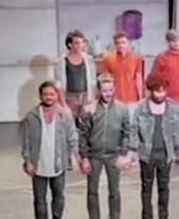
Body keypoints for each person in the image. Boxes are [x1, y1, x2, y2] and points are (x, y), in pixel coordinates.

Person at [21, 81, 80, 219]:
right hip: (38, 164)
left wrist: (79, 158)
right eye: (45, 94)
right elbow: (26, 141)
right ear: (40, 96)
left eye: (52, 94)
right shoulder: (31, 117)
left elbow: (72, 138)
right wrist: (28, 161)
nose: (49, 97)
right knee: (39, 200)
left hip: (58, 164)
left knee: (58, 197)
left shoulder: (64, 115)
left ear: (57, 95)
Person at [130, 73, 179, 219]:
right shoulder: (141, 108)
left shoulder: (173, 107)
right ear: (150, 90)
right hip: (147, 155)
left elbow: (178, 130)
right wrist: (133, 151)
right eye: (157, 91)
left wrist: (178, 150)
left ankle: (163, 216)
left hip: (166, 155)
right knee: (146, 189)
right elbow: (133, 129)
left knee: (164, 189)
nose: (161, 95)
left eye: (163, 91)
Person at [78, 74, 132, 219]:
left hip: (113, 155)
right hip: (94, 156)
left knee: (114, 192)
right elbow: (82, 135)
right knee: (92, 192)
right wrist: (84, 158)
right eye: (104, 90)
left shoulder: (122, 109)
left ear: (114, 89)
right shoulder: (89, 110)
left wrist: (123, 154)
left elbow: (127, 132)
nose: (108, 93)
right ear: (98, 90)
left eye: (110, 90)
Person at [55, 30, 98, 118]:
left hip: (85, 97)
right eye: (77, 43)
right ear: (70, 44)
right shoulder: (62, 61)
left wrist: (92, 101)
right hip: (69, 98)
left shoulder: (89, 59)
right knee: (70, 122)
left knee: (86, 122)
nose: (80, 45)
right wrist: (64, 104)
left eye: (81, 43)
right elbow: (59, 85)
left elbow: (93, 81)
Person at [100, 31, 144, 108]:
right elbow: (105, 80)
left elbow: (138, 79)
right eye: (118, 43)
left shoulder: (136, 58)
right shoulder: (108, 59)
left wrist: (140, 98)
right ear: (115, 44)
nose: (121, 45)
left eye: (123, 42)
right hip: (114, 99)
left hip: (132, 98)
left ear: (128, 43)